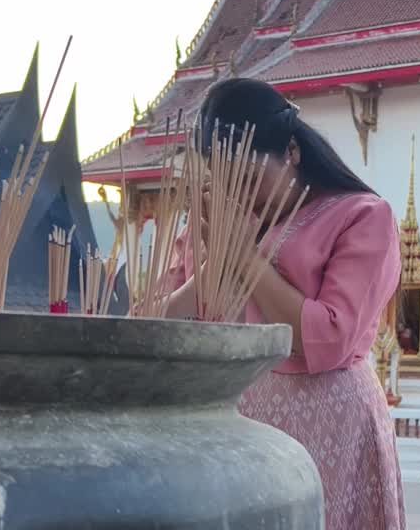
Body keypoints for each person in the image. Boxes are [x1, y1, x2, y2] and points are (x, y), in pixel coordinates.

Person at [160, 78, 406, 530]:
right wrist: (218, 260)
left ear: (291, 151)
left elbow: (328, 339)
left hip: (329, 420)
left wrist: (244, 258)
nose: (244, 194)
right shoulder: (214, 220)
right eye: (226, 179)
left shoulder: (361, 216)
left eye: (252, 178)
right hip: (230, 421)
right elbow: (164, 325)